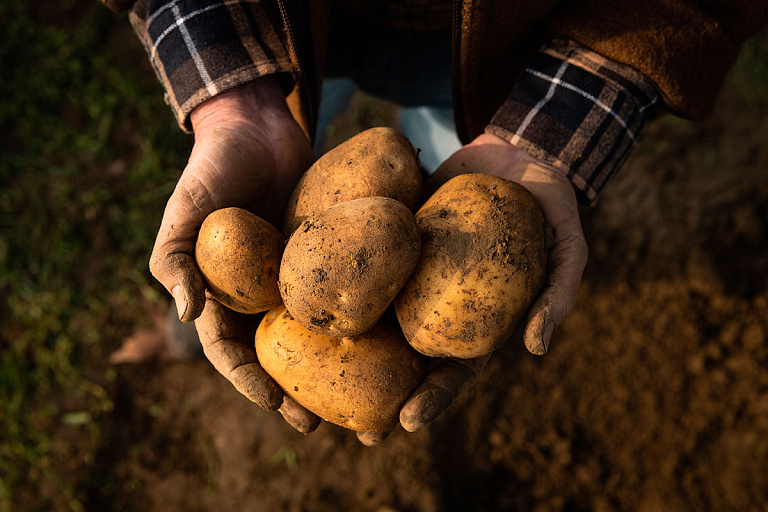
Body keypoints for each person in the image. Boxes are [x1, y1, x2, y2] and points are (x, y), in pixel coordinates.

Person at [102, 0, 768, 445]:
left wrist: (546, 140)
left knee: (444, 157)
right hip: (281, 23)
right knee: (234, 228)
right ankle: (184, 332)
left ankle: (188, 326)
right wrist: (231, 98)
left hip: (520, 56)